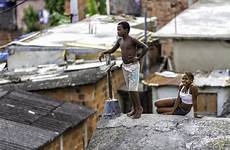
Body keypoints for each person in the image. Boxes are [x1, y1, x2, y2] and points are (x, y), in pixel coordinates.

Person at [99, 21, 148, 119]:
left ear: (126, 30)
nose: (118, 31)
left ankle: (139, 109)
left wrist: (138, 58)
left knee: (133, 89)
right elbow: (113, 50)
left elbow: (145, 47)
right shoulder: (120, 41)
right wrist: (103, 52)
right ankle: (134, 108)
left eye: (119, 29)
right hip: (125, 67)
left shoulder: (132, 40)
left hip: (133, 66)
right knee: (130, 90)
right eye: (117, 29)